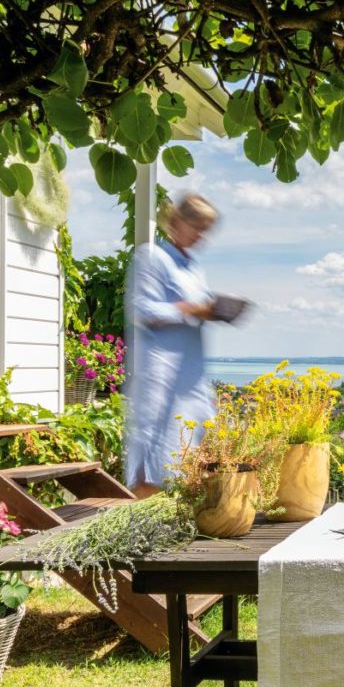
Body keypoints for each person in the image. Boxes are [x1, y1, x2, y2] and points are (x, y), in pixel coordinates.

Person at [124, 193, 222, 498]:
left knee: (195, 442)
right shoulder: (152, 257)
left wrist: (215, 310)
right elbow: (142, 308)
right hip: (161, 370)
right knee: (156, 445)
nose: (201, 236)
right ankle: (141, 520)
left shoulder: (193, 268)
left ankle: (180, 518)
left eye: (206, 229)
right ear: (177, 222)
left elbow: (195, 308)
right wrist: (191, 309)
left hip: (191, 371)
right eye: (197, 227)